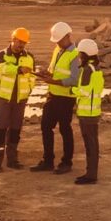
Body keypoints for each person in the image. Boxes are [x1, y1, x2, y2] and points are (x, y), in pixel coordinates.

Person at [30, 22, 79, 175]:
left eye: (59, 40)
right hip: (53, 95)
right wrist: (47, 74)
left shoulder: (75, 54)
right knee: (46, 126)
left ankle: (66, 162)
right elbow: (56, 71)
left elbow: (74, 79)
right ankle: (48, 161)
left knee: (65, 129)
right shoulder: (57, 50)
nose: (57, 43)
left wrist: (53, 81)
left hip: (66, 98)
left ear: (68, 36)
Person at [0, 28, 36, 172]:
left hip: (20, 100)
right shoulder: (1, 55)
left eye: (24, 43)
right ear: (13, 39)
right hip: (4, 98)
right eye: (19, 41)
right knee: (0, 129)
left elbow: (32, 77)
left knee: (15, 130)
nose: (21, 45)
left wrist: (29, 90)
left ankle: (12, 160)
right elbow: (2, 69)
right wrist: (18, 69)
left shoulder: (29, 57)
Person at [72, 38, 104, 185]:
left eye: (80, 53)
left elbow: (84, 92)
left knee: (90, 145)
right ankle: (91, 173)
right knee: (93, 144)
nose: (79, 55)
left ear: (84, 54)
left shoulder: (87, 70)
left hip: (87, 114)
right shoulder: (96, 69)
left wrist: (72, 90)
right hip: (93, 112)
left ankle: (91, 175)